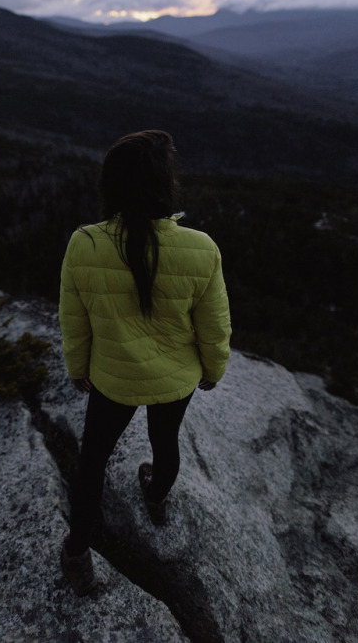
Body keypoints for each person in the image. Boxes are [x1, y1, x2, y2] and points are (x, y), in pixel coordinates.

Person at [58, 130, 231, 596]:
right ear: (165, 184)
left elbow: (74, 324)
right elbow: (214, 326)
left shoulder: (84, 244)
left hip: (113, 380)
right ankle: (154, 496)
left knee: (92, 460)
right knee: (164, 442)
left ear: (109, 185)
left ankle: (77, 551)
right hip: (176, 380)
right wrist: (214, 371)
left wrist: (78, 370)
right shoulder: (201, 248)